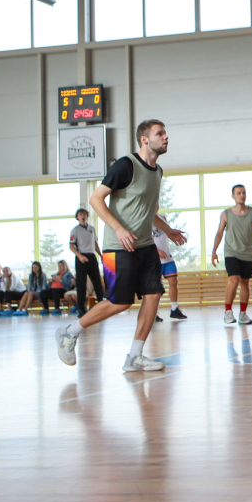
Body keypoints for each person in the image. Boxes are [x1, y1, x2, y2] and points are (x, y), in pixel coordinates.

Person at [53, 119, 187, 372]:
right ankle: (69, 333)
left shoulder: (158, 171)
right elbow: (96, 199)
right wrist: (118, 228)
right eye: (160, 133)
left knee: (154, 294)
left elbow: (147, 211)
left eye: (166, 133)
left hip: (145, 245)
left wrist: (167, 229)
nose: (166, 137)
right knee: (120, 303)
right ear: (145, 139)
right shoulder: (126, 165)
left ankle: (134, 357)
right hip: (117, 248)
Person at [210, 183, 252, 326]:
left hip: (247, 253)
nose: (242, 195)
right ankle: (228, 312)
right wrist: (214, 251)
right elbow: (219, 233)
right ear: (233, 196)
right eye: (239, 193)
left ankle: (243, 314)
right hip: (231, 252)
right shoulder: (226, 214)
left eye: (243, 193)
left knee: (245, 284)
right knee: (234, 281)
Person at [69, 208, 104, 317]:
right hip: (81, 256)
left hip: (91, 256)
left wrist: (100, 255)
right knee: (81, 284)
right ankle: (81, 308)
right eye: (80, 214)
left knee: (97, 281)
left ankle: (102, 306)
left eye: (84, 214)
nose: (83, 216)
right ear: (77, 217)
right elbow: (71, 245)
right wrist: (79, 256)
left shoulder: (91, 229)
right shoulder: (75, 230)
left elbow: (95, 243)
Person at [153, 224, 187, 321]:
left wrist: (174, 236)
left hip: (167, 257)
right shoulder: (146, 218)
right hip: (154, 259)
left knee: (173, 281)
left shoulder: (162, 219)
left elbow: (167, 233)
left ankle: (174, 309)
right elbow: (143, 239)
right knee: (155, 287)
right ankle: (153, 312)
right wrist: (157, 251)